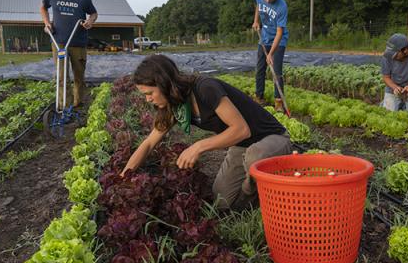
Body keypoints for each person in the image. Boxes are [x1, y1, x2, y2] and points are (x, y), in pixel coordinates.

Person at [121, 55, 293, 210]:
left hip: (271, 138)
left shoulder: (205, 88)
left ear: (164, 83)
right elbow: (149, 143)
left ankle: (273, 186)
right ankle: (259, 188)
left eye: (150, 93)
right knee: (221, 202)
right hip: (241, 146)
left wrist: (198, 147)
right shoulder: (174, 105)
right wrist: (124, 177)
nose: (148, 99)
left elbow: (241, 130)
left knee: (255, 156)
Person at [40, 0, 98, 109]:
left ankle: (78, 106)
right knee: (61, 78)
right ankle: (65, 107)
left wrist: (89, 21)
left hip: (78, 42)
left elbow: (93, 13)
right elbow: (43, 7)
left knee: (79, 77)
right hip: (58, 42)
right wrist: (47, 22)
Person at [252, 0, 289, 113]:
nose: (267, 1)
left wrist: (271, 53)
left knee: (276, 72)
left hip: (278, 41)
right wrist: (256, 21)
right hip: (264, 38)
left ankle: (278, 102)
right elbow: (258, 6)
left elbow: (280, 32)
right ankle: (259, 96)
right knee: (260, 69)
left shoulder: (282, 6)